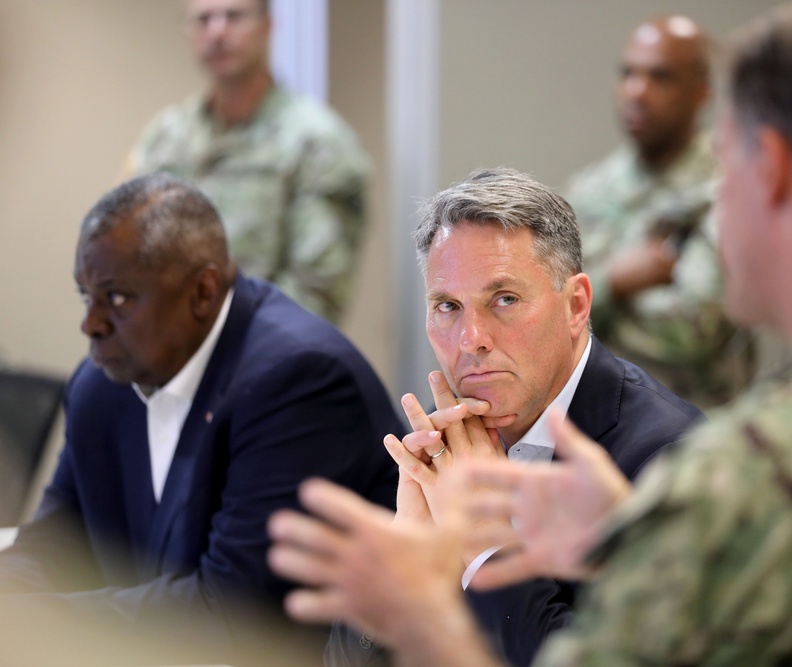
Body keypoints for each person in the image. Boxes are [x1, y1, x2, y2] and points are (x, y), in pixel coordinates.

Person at [267, 2, 792, 665]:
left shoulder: (754, 462)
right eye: (446, 307)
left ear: (768, 168)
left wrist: (458, 567)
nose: (472, 338)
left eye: (721, 162)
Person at [0, 173, 402, 666]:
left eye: (118, 297)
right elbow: (55, 545)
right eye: (86, 296)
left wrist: (37, 623)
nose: (92, 324)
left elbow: (232, 616)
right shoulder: (102, 384)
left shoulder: (299, 380)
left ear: (203, 291)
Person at [320, 167, 702, 666]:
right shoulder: (437, 443)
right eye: (448, 306)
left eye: (504, 299)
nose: (470, 337)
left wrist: (488, 546)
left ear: (576, 306)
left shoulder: (668, 458)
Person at [125, 0, 371, 323]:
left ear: (267, 26)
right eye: (203, 19)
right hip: (165, 354)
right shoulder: (164, 138)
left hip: (265, 356)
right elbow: (129, 252)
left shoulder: (318, 141)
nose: (217, 32)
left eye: (233, 16)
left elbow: (316, 293)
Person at [566, 15, 752, 408]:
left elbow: (693, 334)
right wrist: (615, 282)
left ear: (701, 92)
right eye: (628, 73)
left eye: (660, 77)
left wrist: (588, 311)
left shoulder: (731, 190)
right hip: (598, 423)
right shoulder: (590, 190)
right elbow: (548, 321)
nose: (637, 91)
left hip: (695, 427)